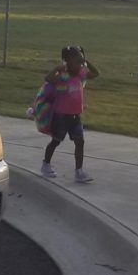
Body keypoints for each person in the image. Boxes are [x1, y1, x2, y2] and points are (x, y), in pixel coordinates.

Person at [41, 45, 99, 183]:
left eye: (81, 61)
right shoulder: (62, 76)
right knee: (56, 141)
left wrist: (87, 62)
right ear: (67, 62)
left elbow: (96, 73)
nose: (80, 64)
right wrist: (56, 68)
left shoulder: (81, 74)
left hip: (75, 116)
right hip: (61, 115)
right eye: (77, 61)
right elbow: (48, 78)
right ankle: (46, 164)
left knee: (80, 142)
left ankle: (79, 171)